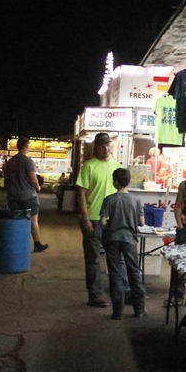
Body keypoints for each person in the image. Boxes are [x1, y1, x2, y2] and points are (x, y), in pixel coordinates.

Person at [76, 132, 123, 308]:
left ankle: (118, 293)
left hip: (113, 220)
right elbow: (81, 194)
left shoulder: (117, 167)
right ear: (95, 147)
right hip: (93, 219)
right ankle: (95, 295)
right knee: (93, 259)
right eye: (102, 145)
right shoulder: (88, 167)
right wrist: (85, 217)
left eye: (108, 145)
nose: (106, 148)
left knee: (115, 258)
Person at [100, 168, 147, 320]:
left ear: (115, 182)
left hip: (112, 239)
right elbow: (142, 222)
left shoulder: (109, 199)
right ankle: (139, 310)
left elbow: (103, 222)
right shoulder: (136, 200)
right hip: (129, 240)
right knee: (134, 273)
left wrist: (110, 224)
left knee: (115, 274)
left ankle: (117, 312)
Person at [4, 137, 49, 253]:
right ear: (25, 146)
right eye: (29, 146)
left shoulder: (10, 162)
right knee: (33, 220)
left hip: (13, 196)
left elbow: (6, 179)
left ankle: (14, 244)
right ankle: (37, 244)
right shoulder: (28, 162)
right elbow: (33, 178)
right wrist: (38, 187)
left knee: (15, 220)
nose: (30, 148)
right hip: (28, 196)